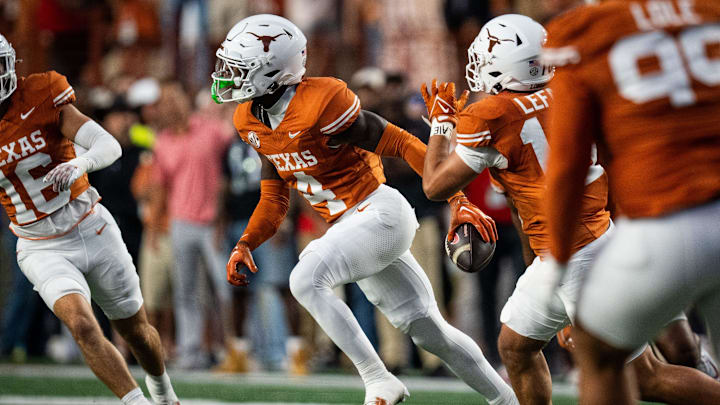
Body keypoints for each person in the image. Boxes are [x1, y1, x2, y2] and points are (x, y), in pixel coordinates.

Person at [213, 14, 518, 405]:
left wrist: (457, 199)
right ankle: (506, 400)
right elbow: (274, 198)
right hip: (349, 227)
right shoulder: (248, 119)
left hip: (379, 212)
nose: (228, 75)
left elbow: (402, 142)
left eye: (241, 68)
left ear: (273, 72)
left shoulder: (321, 101)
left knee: (305, 277)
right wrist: (246, 242)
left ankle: (378, 378)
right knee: (429, 331)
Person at [419, 14, 720, 405]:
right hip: (586, 239)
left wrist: (441, 125)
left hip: (580, 252)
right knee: (515, 346)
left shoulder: (492, 115)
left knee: (645, 377)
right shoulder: (567, 89)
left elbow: (434, 186)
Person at [541, 1, 720, 404]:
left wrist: (559, 256)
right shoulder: (710, 12)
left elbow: (568, 164)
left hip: (671, 221)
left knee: (598, 347)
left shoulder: (587, 31)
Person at [0, 34, 178, 405]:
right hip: (39, 245)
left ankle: (164, 395)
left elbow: (108, 145)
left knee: (137, 331)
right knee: (82, 324)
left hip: (89, 224)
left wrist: (79, 162)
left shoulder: (39, 93)